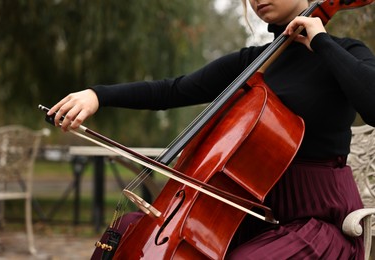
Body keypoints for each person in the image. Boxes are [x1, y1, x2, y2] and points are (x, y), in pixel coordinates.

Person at [48, 0, 375, 258]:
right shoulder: (250, 63)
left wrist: (321, 41)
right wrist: (97, 96)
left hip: (316, 221)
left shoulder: (345, 52)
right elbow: (172, 90)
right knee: (131, 233)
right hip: (248, 212)